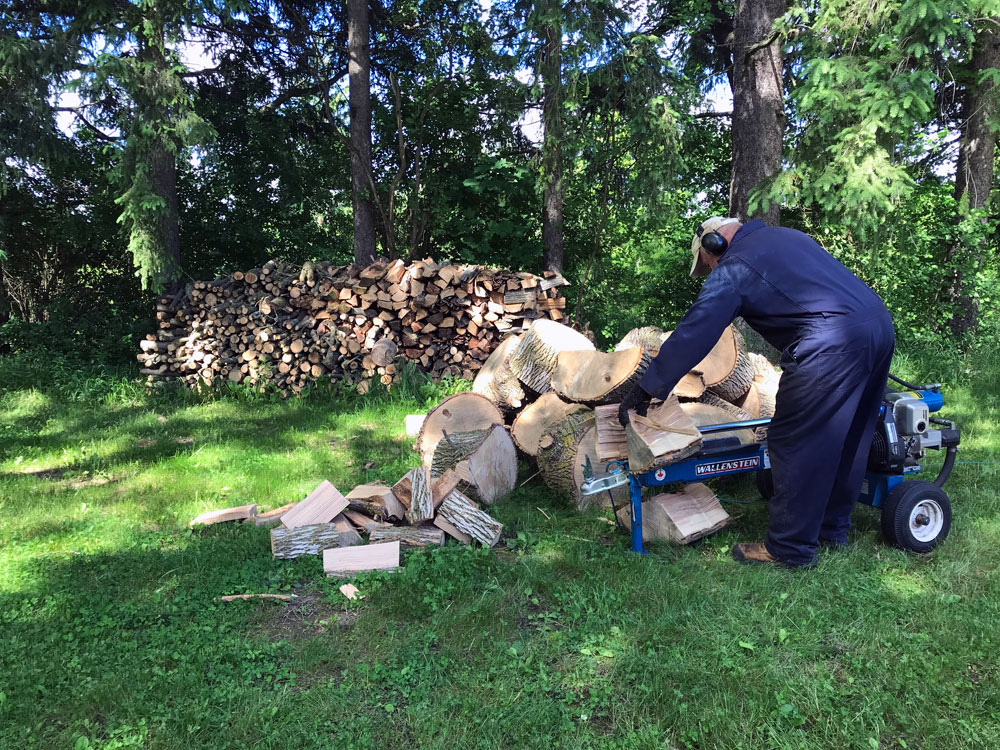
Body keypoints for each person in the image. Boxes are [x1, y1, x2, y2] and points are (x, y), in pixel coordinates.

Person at [617, 217, 895, 568]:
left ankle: (789, 549)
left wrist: (646, 388)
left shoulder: (736, 265)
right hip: (878, 326)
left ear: (714, 244)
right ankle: (830, 528)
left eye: (707, 264)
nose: (712, 269)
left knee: (796, 439)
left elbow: (696, 331)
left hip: (829, 343)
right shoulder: (785, 237)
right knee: (850, 434)